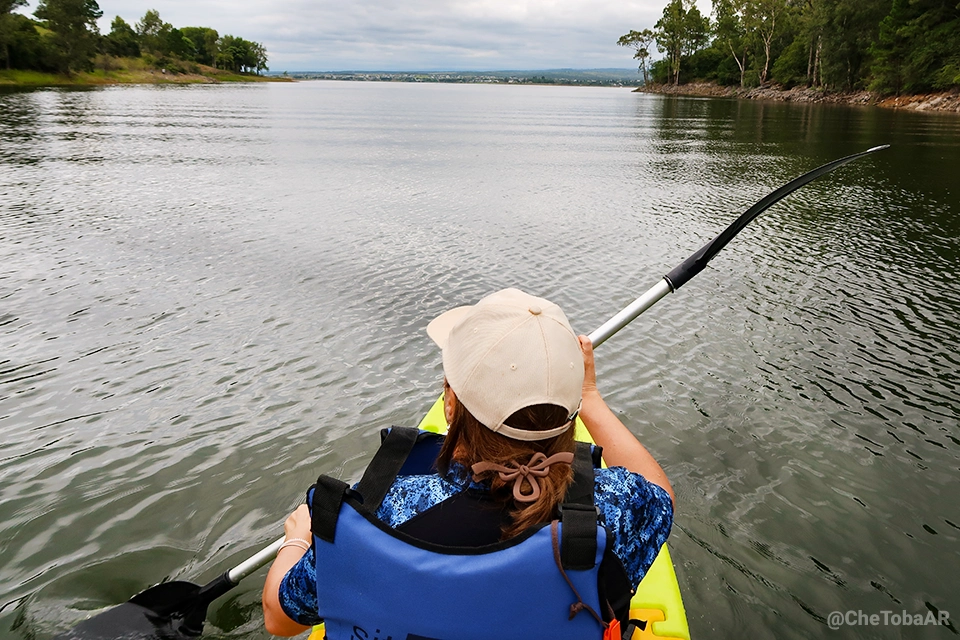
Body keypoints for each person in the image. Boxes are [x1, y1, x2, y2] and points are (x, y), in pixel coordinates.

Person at [262, 288, 674, 639]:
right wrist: (592, 396)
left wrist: (298, 539)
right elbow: (661, 495)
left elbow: (280, 620)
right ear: (570, 413)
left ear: (450, 404)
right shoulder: (616, 506)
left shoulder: (380, 512)